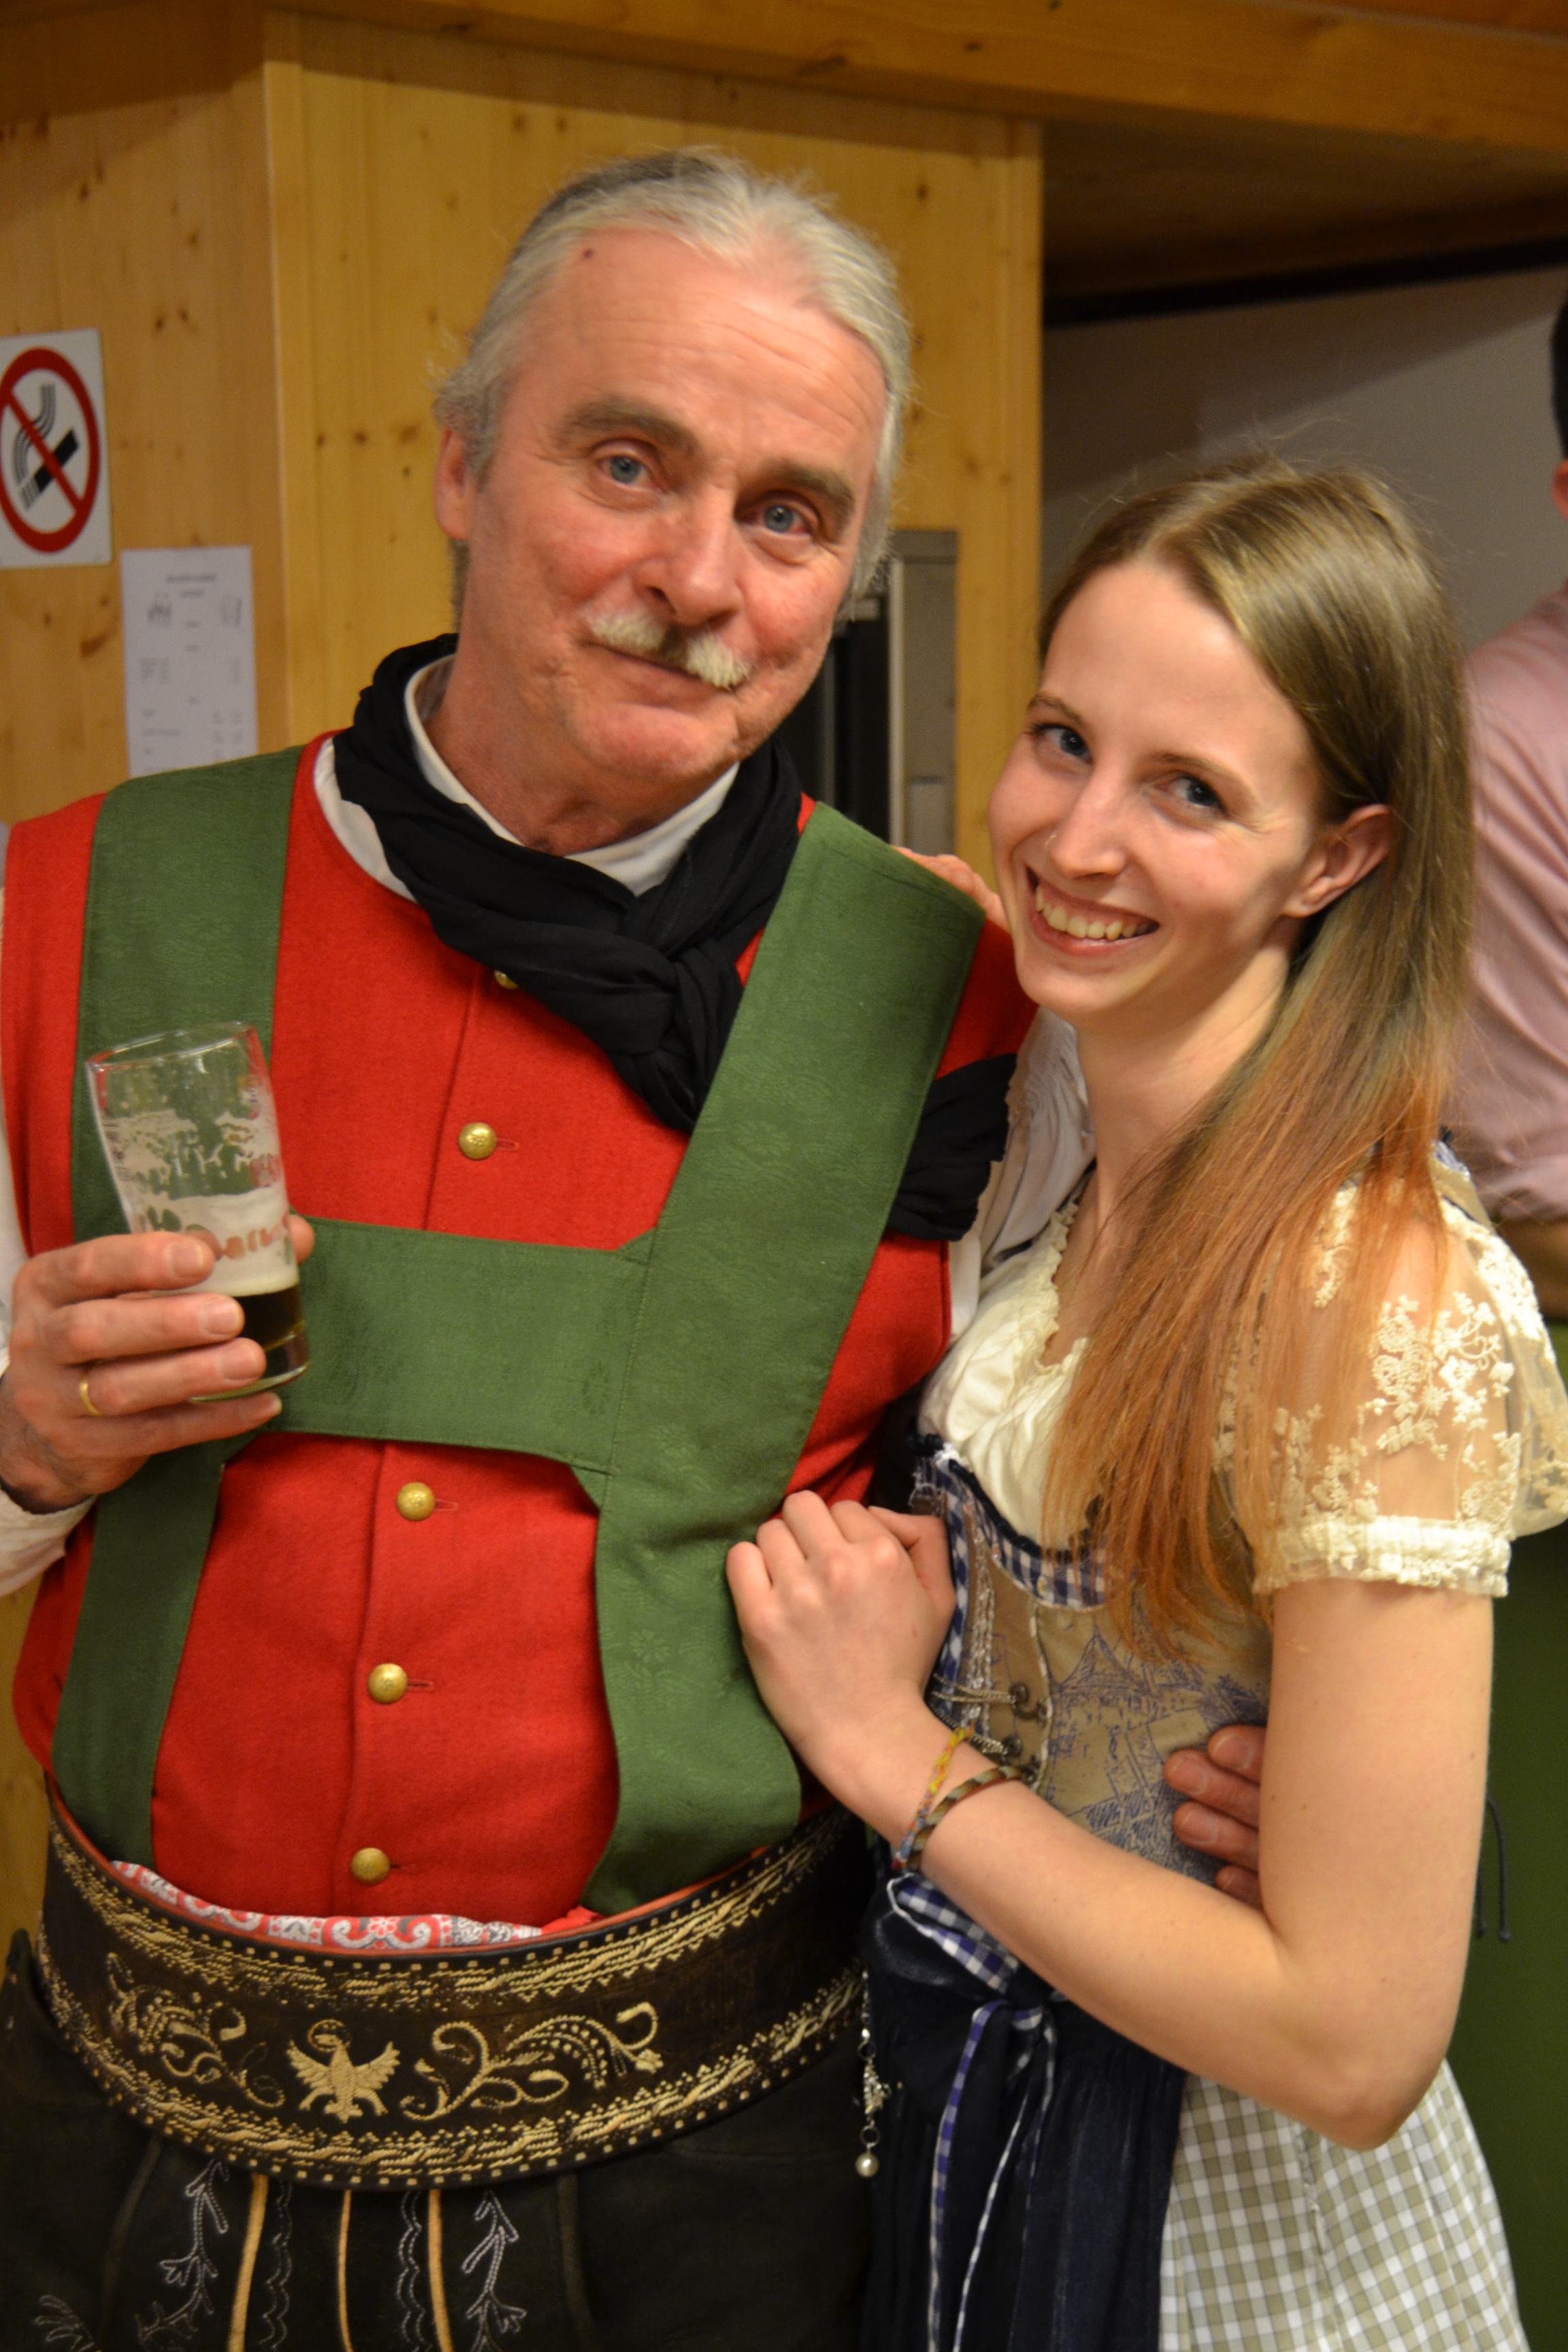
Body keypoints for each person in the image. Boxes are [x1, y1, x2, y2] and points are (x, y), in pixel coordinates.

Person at [0, 152, 1265, 2348]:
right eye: (626, 465)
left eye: (789, 515)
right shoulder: (56, 909)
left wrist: (1228, 1726)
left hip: (712, 2189)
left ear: (847, 574)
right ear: (461, 466)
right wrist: (21, 1447)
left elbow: (1112, 1485)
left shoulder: (987, 1016)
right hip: (116, 2160)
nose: (699, 579)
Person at [730, 459, 1568, 2349]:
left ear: (1337, 855)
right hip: (986, 2115)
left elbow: (1349, 2041)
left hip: (1226, 2228)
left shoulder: (1370, 1288)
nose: (1079, 837)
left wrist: (894, 1752)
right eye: (1062, 741)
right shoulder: (1052, 1115)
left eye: (1191, 790)